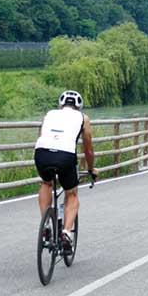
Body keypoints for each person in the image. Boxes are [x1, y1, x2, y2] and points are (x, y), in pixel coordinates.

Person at [34, 90, 97, 251]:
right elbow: (88, 148)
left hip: (41, 152)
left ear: (61, 104)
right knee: (72, 194)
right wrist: (91, 169)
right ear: (79, 106)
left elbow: (41, 136)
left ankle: (46, 224)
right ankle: (66, 232)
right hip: (65, 155)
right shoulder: (83, 118)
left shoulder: (49, 114)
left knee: (46, 183)